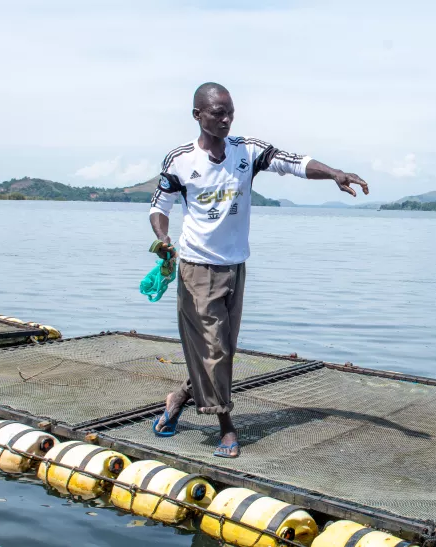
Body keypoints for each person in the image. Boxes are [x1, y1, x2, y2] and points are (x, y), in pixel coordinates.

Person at [149, 82, 369, 458]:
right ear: (197, 115)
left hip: (236, 266)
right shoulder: (180, 160)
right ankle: (226, 428)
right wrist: (163, 238)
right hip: (196, 267)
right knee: (215, 349)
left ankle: (180, 397)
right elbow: (159, 207)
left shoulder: (246, 151)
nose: (226, 119)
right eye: (217, 112)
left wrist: (334, 172)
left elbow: (294, 162)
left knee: (223, 348)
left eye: (230, 111)